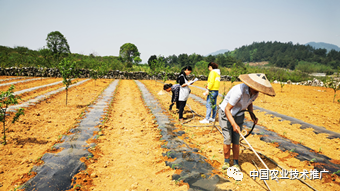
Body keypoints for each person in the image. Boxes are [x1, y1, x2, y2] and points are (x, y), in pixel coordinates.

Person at [219, 73, 275, 171]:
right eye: (256, 88)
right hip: (226, 114)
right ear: (251, 85)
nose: (257, 91)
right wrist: (233, 124)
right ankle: (226, 161)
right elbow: (227, 109)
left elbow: (250, 102)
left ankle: (236, 162)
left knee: (236, 140)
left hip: (239, 114)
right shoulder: (239, 91)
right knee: (227, 138)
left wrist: (252, 116)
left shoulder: (255, 93)